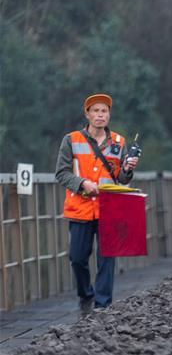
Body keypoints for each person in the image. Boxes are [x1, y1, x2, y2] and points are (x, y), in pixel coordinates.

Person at [55, 93, 140, 314]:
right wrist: (82, 182)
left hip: (109, 207)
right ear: (87, 114)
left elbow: (121, 178)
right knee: (77, 258)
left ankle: (103, 306)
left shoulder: (119, 142)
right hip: (80, 208)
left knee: (107, 259)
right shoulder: (71, 140)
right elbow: (61, 173)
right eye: (96, 111)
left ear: (109, 115)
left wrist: (128, 169)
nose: (100, 115)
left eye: (104, 111)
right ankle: (86, 295)